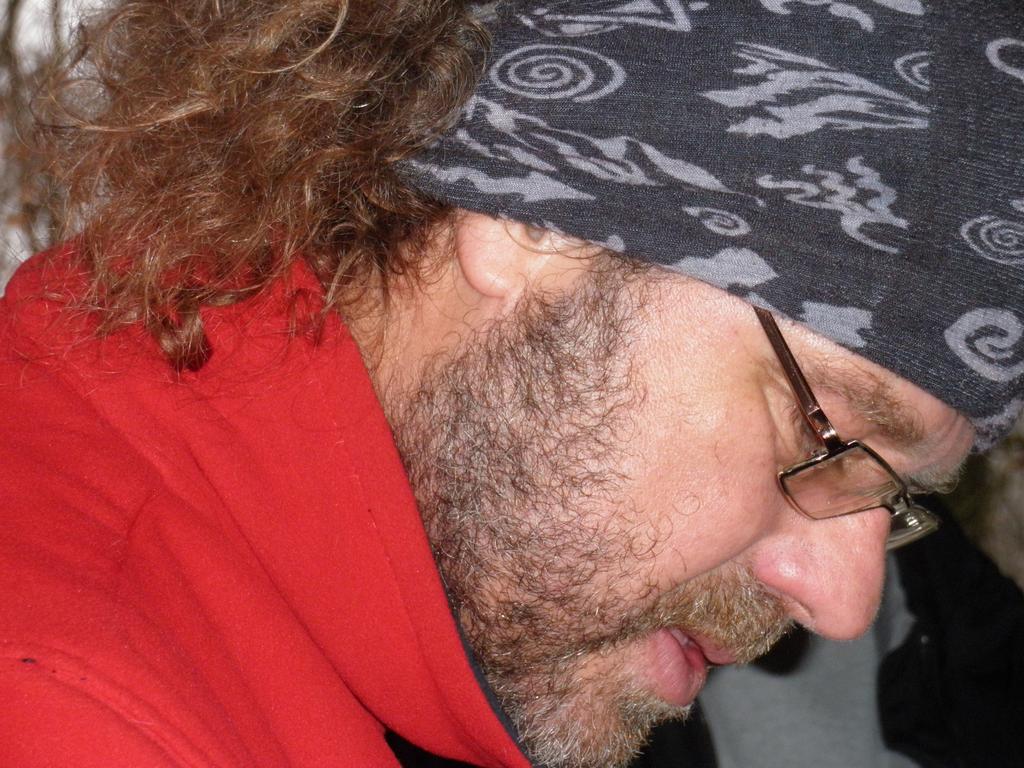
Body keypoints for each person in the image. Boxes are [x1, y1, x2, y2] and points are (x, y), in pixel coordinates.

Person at [1, 2, 1021, 767]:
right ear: (538, 220)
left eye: (894, 498)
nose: (843, 606)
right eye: (822, 436)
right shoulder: (76, 715)